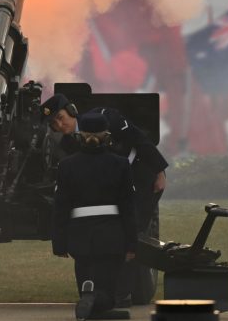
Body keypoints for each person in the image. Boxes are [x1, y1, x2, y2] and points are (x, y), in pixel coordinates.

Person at [42, 92, 168, 305]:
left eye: (61, 117)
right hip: (114, 190)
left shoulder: (106, 118)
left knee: (133, 233)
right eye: (54, 123)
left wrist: (159, 170)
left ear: (72, 111)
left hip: (141, 176)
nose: (59, 124)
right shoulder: (68, 145)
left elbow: (138, 138)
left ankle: (123, 293)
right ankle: (106, 292)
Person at [52, 111, 137, 321]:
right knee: (109, 287)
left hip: (80, 234)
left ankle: (88, 295)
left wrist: (59, 243)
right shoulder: (120, 164)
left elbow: (61, 207)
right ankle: (98, 299)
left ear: (81, 136)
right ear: (106, 135)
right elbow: (128, 207)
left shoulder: (67, 165)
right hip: (111, 233)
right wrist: (131, 244)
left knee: (84, 270)